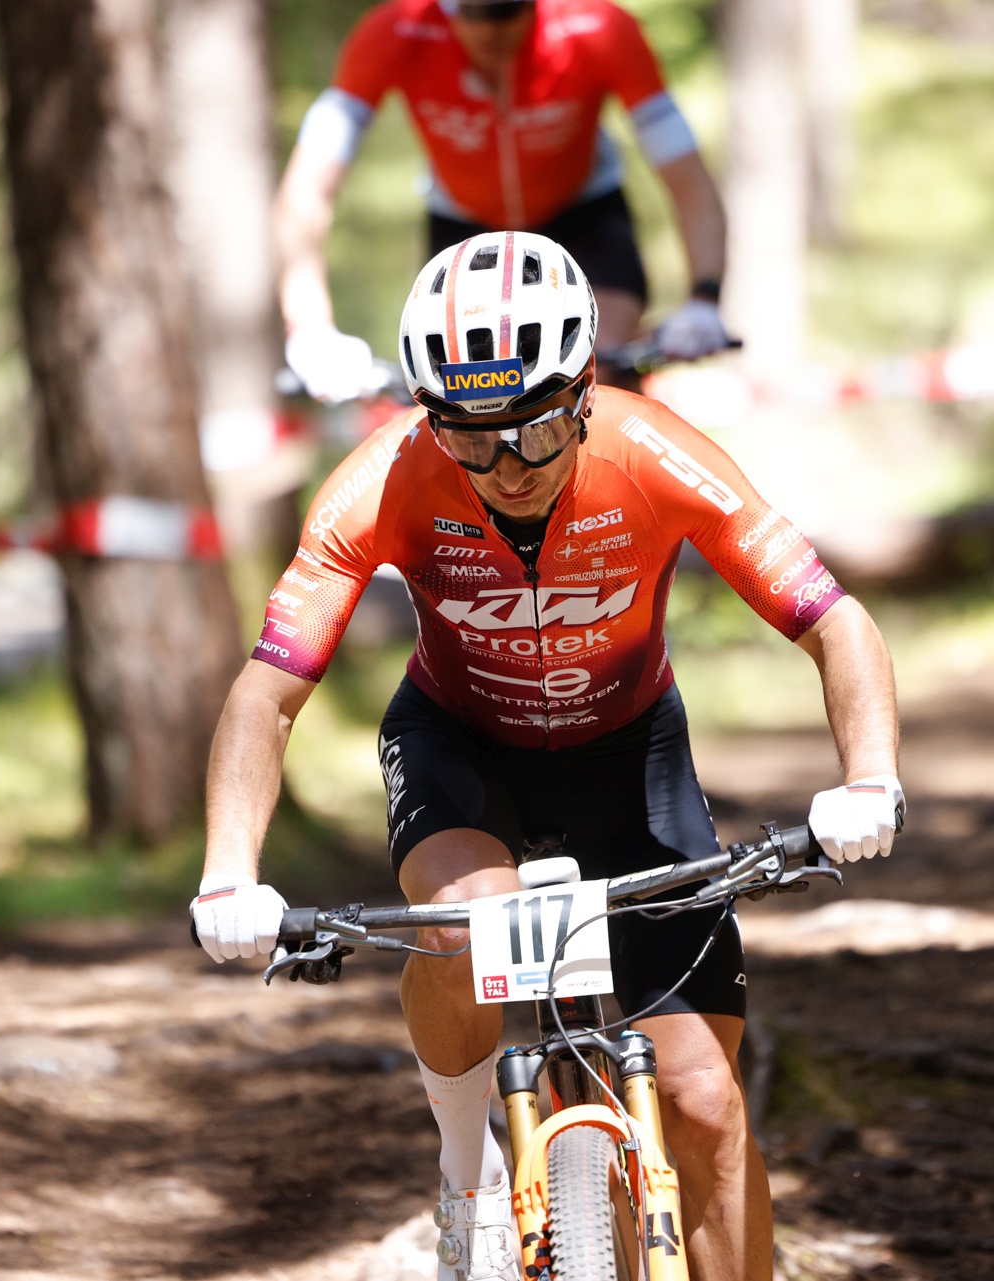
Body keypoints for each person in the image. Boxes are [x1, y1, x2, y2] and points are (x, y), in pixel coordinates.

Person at [193, 232, 901, 1281]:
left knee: (704, 1101)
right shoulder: (381, 481)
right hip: (459, 745)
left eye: (532, 428)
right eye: (470, 438)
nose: (506, 468)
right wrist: (228, 872)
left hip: (630, 756)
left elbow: (834, 622)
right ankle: (468, 1176)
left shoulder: (652, 451)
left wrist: (870, 776)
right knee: (463, 924)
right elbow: (269, 691)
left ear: (584, 390)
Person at [276, 0, 732, 403]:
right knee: (457, 389)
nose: (490, 29)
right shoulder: (396, 32)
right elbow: (306, 192)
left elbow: (689, 179)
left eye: (509, 9)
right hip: (465, 223)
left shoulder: (596, 27)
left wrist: (704, 298)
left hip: (582, 214)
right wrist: (310, 329)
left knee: (596, 364)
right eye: (472, 11)